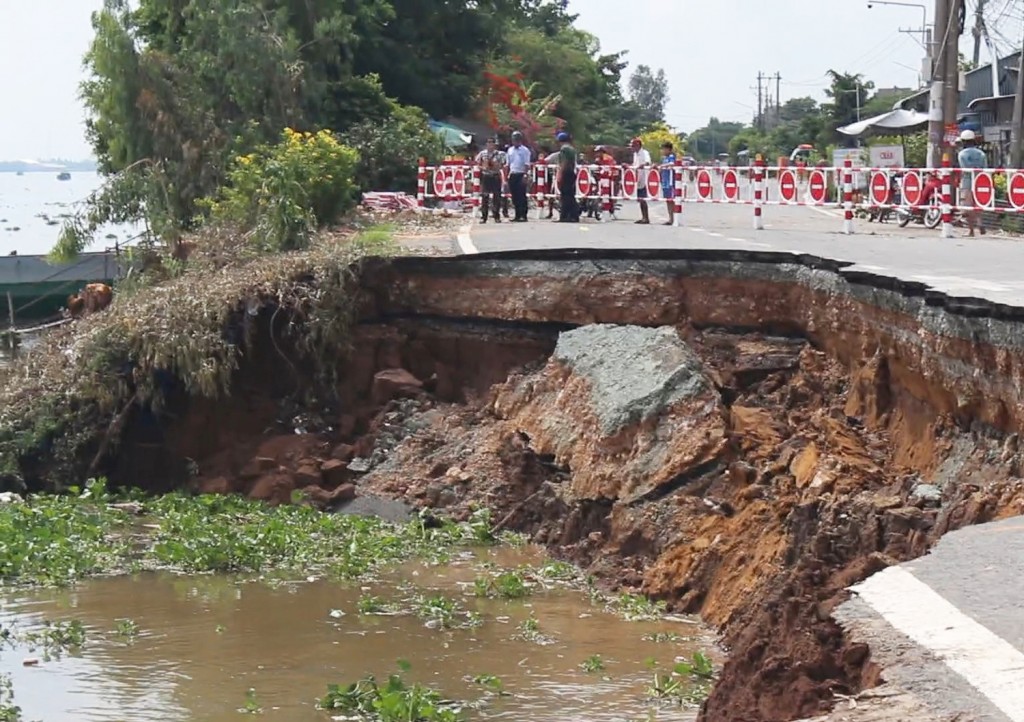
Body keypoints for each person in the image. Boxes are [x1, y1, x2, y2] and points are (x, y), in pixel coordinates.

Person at [957, 129, 987, 237]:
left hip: (967, 181)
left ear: (963, 141)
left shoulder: (962, 154)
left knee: (968, 206)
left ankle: (971, 230)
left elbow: (964, 168)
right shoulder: (982, 154)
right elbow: (985, 169)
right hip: (980, 181)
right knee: (977, 204)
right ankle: (980, 223)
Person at [475, 137, 505, 223]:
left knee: (497, 196)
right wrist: (483, 167)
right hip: (486, 176)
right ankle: (484, 216)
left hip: (495, 176)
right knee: (485, 196)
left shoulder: (499, 154)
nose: (490, 144)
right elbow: (477, 163)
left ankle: (496, 216)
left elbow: (502, 164)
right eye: (489, 142)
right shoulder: (482, 154)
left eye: (492, 143)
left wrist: (496, 165)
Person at [505, 131, 531, 222]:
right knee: (514, 196)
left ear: (520, 140)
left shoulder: (525, 150)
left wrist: (525, 174)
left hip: (521, 174)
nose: (515, 142)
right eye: (514, 140)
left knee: (521, 195)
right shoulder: (510, 150)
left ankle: (523, 215)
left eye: (517, 140)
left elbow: (527, 164)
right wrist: (506, 177)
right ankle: (517, 215)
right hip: (513, 174)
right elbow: (508, 164)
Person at [555, 132, 579, 223]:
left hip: (566, 172)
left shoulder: (564, 149)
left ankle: (564, 216)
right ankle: (573, 215)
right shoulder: (572, 149)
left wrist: (560, 173)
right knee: (570, 195)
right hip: (571, 172)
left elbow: (564, 162)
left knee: (565, 195)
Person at [630, 137, 652, 224]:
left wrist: (642, 165)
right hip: (637, 178)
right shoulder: (635, 154)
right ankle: (643, 217)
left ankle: (646, 218)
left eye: (633, 146)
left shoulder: (644, 153)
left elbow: (647, 162)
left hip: (644, 178)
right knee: (640, 199)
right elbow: (634, 164)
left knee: (643, 199)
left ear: (638, 145)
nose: (632, 148)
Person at [659, 142, 677, 226]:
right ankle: (670, 218)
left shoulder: (671, 157)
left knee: (671, 200)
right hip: (665, 181)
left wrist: (663, 166)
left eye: (664, 149)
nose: (663, 151)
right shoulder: (664, 158)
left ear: (669, 149)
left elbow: (672, 164)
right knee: (667, 201)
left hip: (670, 182)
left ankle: (674, 218)